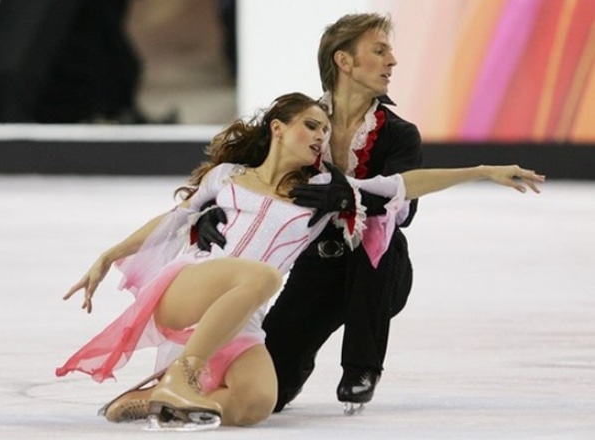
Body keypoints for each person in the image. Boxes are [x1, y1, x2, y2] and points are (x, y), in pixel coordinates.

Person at [56, 92, 543, 430]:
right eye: (311, 125)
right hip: (189, 291)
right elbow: (170, 220)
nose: (320, 136)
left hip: (243, 314)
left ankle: (152, 400)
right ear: (278, 128)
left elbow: (400, 185)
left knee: (257, 402)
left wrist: (482, 170)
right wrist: (108, 256)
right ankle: (183, 377)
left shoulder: (324, 194)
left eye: (325, 131)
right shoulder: (228, 176)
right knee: (263, 276)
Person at [195, 13, 424, 412]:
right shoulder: (303, 122)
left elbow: (405, 210)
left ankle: (361, 368)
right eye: (379, 50)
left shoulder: (399, 134)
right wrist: (209, 211)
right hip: (317, 267)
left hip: (379, 272)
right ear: (344, 61)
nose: (392, 60)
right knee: (270, 392)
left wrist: (348, 198)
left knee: (378, 237)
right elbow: (254, 173)